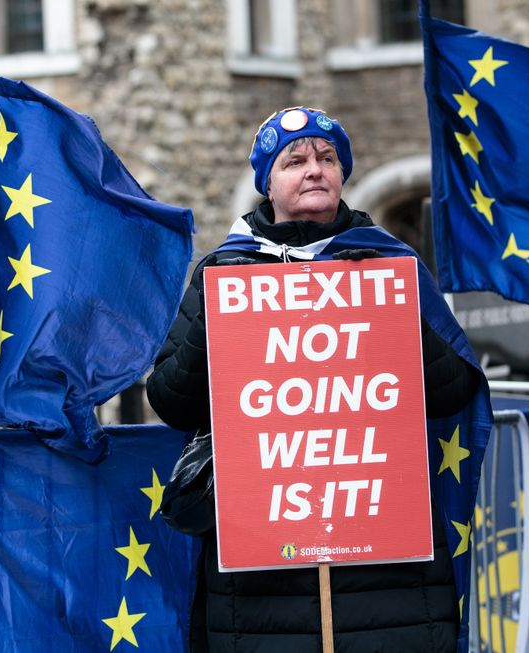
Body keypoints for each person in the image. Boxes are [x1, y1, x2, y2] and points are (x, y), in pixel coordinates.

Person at [146, 106, 488, 652]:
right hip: (261, 581)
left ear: (342, 175)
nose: (314, 169)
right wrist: (216, 316)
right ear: (269, 182)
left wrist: (389, 310)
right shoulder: (221, 272)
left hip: (388, 573)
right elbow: (171, 402)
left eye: (327, 158)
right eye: (295, 160)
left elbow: (454, 391)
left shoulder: (391, 264)